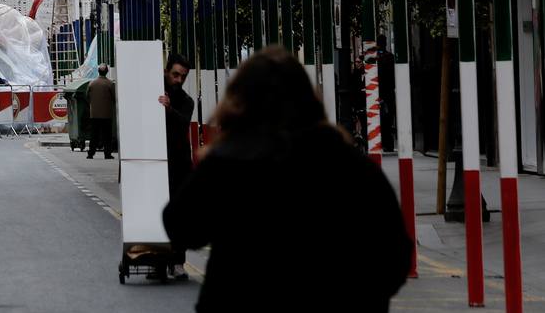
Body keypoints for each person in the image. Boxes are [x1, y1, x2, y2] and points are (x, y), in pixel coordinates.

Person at [163, 46, 412, 313]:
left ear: (240, 102)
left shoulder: (229, 162)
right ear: (309, 99)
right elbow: (395, 254)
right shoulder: (352, 165)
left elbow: (182, 226)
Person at [155, 53, 194, 280]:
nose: (179, 80)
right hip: (156, 161)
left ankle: (178, 261)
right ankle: (158, 259)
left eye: (183, 76)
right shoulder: (155, 91)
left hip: (179, 165)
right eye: (175, 74)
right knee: (157, 210)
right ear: (166, 72)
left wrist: (168, 109)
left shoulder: (186, 101)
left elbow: (182, 124)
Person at [86, 64, 115, 160]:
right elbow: (114, 98)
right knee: (107, 135)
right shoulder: (110, 84)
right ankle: (107, 154)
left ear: (98, 71)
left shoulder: (92, 83)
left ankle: (91, 153)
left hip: (94, 114)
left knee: (94, 135)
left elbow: (87, 97)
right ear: (107, 72)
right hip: (106, 114)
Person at [377, 34, 396, 154]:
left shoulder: (377, 58)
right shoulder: (390, 57)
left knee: (383, 119)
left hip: (381, 92)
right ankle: (388, 144)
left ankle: (385, 143)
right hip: (389, 93)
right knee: (388, 119)